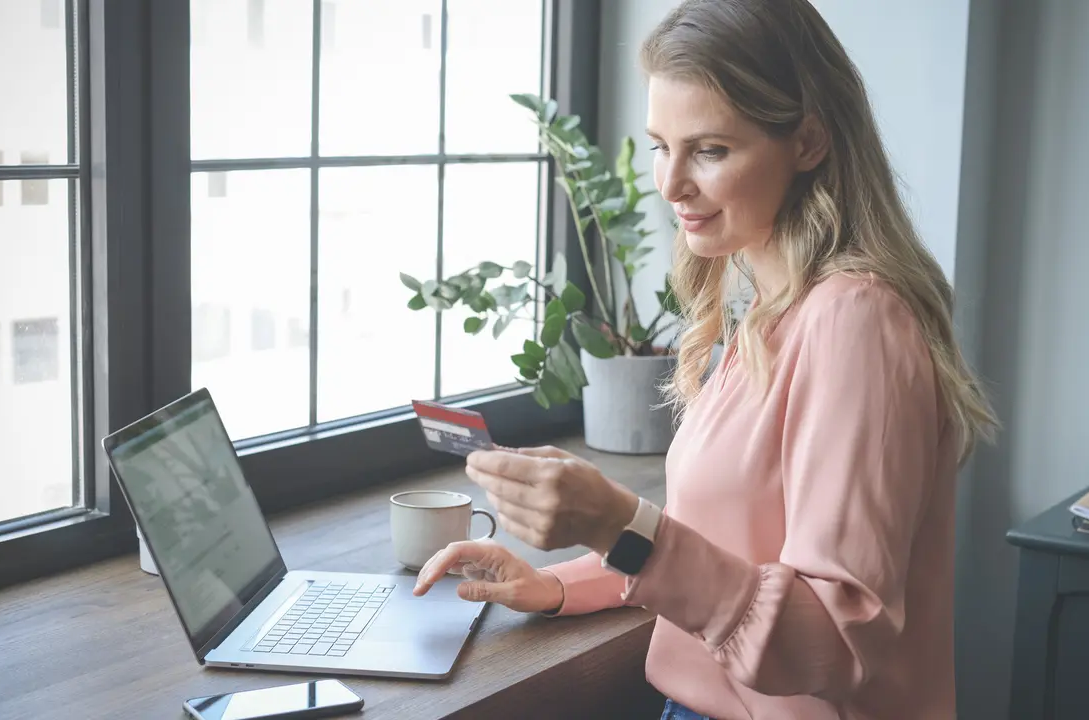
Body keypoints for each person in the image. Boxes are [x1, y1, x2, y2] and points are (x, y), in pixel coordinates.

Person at [413, 0, 999, 718]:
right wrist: (564, 582)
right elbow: (732, 545)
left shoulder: (856, 322)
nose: (670, 183)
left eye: (710, 150)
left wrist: (611, 521)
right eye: (661, 144)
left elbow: (836, 644)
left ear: (808, 141)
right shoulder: (772, 308)